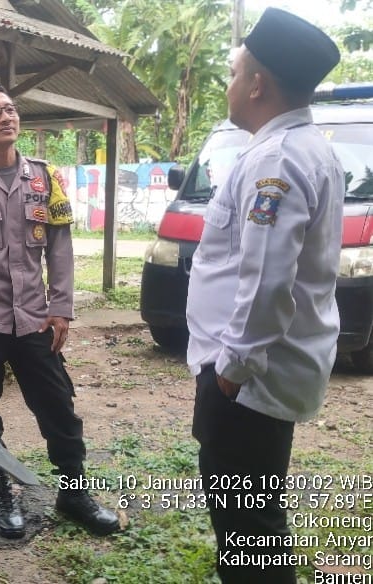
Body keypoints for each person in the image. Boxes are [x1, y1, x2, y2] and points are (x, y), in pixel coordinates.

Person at [186, 8, 342, 583]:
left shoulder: (277, 158)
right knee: (254, 524)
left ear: (257, 84)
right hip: (258, 373)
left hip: (247, 379)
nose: (229, 85)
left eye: (234, 73)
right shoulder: (303, 147)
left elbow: (267, 279)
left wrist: (230, 372)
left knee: (249, 535)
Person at [0, 83, 119, 539]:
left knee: (58, 407)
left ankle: (74, 492)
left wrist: (61, 308)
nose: (6, 117)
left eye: (11, 109)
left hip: (36, 319)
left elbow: (60, 247)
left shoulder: (45, 177)